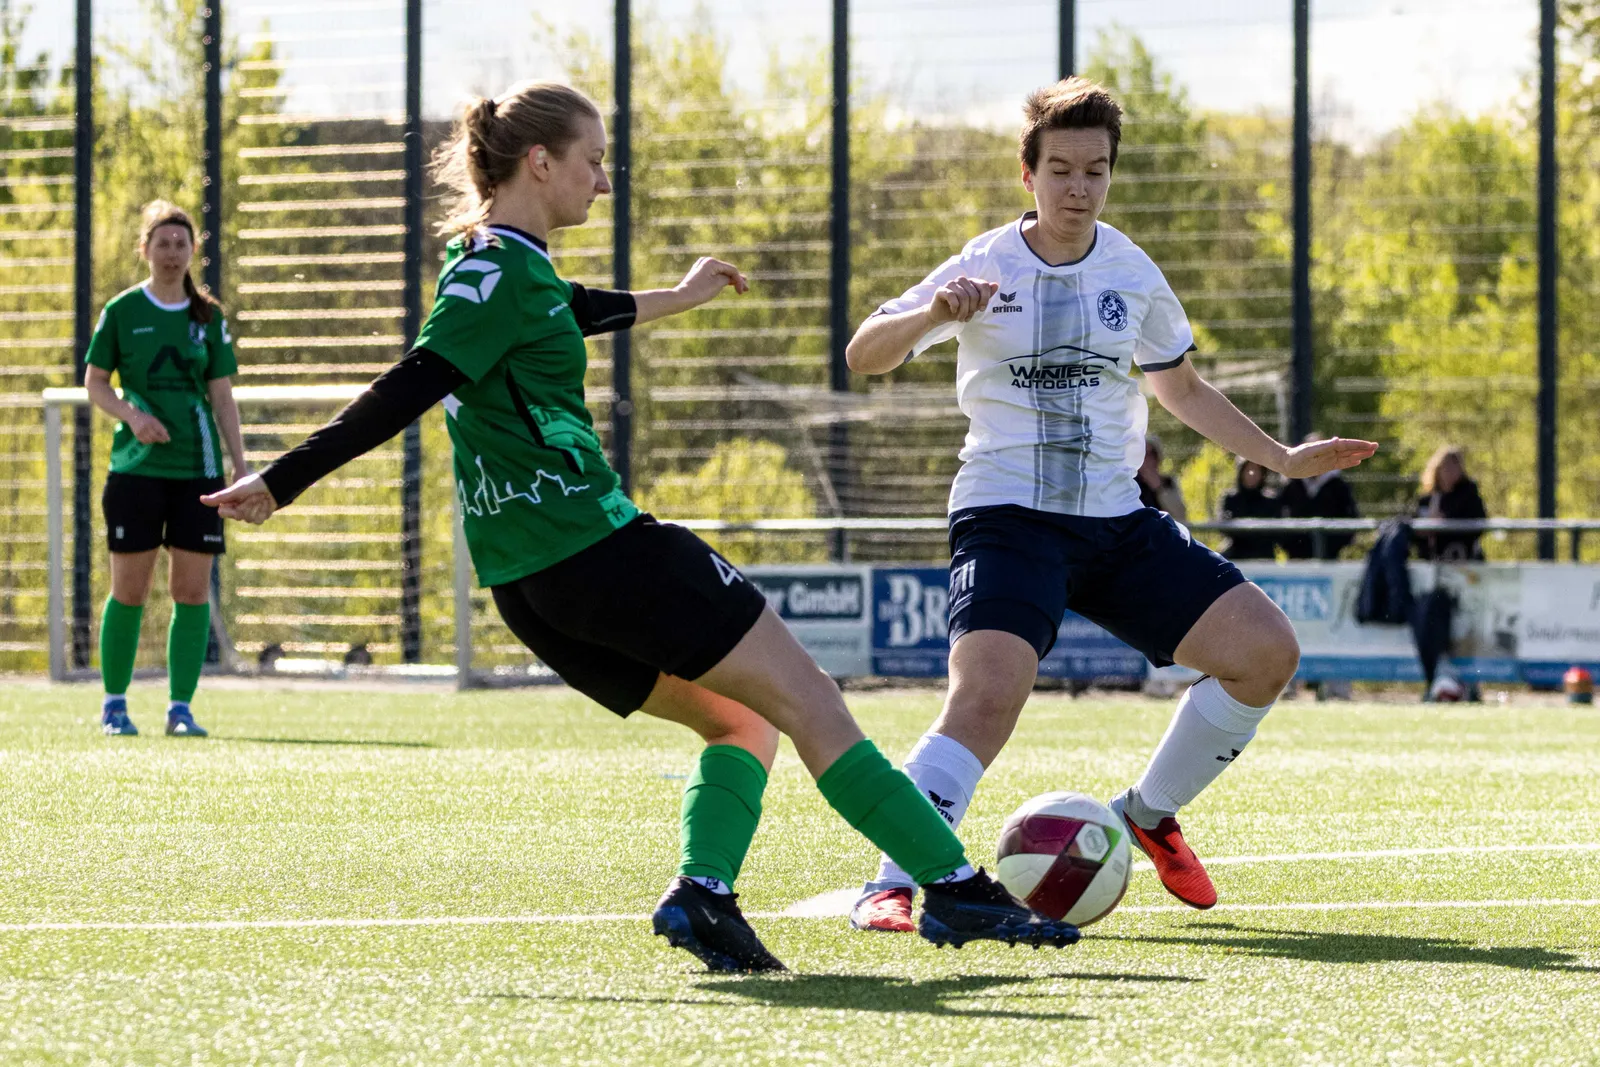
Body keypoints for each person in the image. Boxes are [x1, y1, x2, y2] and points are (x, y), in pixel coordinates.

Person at [201, 80, 1077, 973]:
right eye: (592, 160)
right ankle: (955, 885)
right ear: (539, 163)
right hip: (602, 550)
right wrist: (280, 479)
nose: (603, 180)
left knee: (742, 722)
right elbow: (408, 386)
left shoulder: (497, 264)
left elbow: (575, 307)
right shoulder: (495, 275)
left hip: (530, 587)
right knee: (809, 698)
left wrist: (681, 295)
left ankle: (704, 895)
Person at [843, 76, 1377, 930]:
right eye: (1060, 170)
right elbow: (863, 354)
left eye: (1095, 171)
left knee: (1266, 651)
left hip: (1116, 522)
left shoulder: (1132, 270)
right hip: (1008, 515)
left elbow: (1182, 389)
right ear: (1028, 174)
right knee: (986, 696)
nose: (1078, 189)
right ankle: (893, 881)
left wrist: (1279, 458)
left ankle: (1148, 813)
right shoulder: (983, 264)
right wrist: (931, 314)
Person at [84, 200, 246, 739]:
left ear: (194, 250)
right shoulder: (122, 311)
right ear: (145, 250)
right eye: (163, 243)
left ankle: (180, 709)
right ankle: (114, 705)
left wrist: (241, 466)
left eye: (181, 243)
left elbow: (222, 396)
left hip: (198, 472)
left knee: (192, 593)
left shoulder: (207, 317)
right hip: (135, 472)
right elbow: (96, 383)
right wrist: (133, 417)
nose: (172, 253)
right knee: (128, 592)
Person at [1279, 432, 1361, 559]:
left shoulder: (1338, 486)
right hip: (1296, 558)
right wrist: (1289, 544)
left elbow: (1350, 517)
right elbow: (1280, 514)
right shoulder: (1292, 485)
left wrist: (1336, 545)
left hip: (1330, 557)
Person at [1416, 445, 1486, 561]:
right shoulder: (1426, 499)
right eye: (1446, 467)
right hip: (1433, 560)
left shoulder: (1469, 495)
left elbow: (1478, 524)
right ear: (1437, 469)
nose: (1450, 472)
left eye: (1455, 467)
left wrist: (1444, 522)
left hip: (1465, 558)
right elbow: (1415, 530)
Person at [1218, 457, 1279, 560]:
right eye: (1248, 470)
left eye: (1256, 470)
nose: (1252, 474)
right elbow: (1225, 527)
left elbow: (1276, 533)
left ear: (1263, 474)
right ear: (1241, 472)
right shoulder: (1231, 499)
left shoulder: (1271, 501)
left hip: (1264, 556)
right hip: (1236, 554)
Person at [1136, 433, 1187, 521]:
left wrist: (1160, 488)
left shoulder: (1168, 482)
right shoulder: (1130, 483)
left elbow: (1180, 514)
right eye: (1142, 454)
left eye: (1151, 454)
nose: (1147, 459)